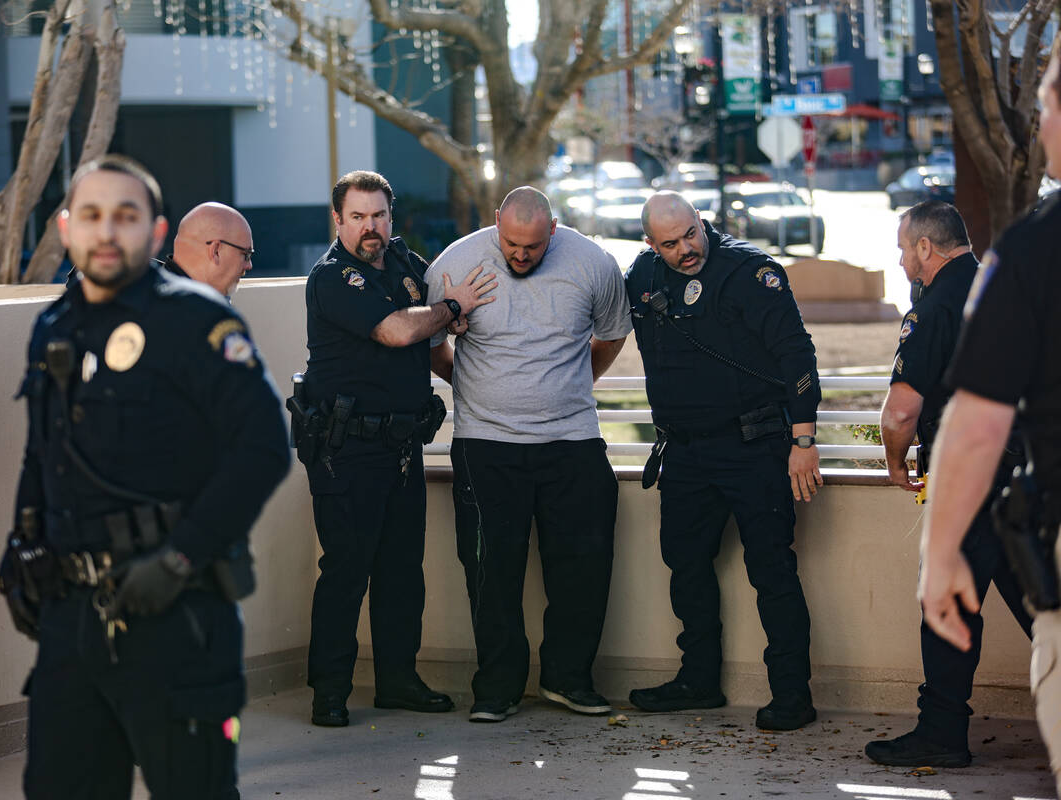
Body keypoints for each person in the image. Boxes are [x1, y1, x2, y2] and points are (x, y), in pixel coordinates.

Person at [0, 154, 291, 799]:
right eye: (92, 216)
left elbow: (265, 447)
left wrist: (182, 557)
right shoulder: (57, 321)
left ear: (154, 235)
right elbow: (44, 451)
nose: (108, 232)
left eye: (125, 217)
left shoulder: (195, 320)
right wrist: (21, 545)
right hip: (71, 622)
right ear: (68, 230)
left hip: (176, 618)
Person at [294, 170, 497, 728]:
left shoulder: (406, 266)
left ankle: (398, 681)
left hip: (401, 447)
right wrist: (453, 307)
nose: (370, 227)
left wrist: (476, 385)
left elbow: (430, 345)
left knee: (402, 571)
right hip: (347, 450)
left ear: (391, 215)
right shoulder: (332, 278)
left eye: (379, 215)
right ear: (338, 220)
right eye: (357, 217)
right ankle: (329, 692)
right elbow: (397, 332)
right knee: (346, 571)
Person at [425, 186, 631, 723]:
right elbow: (430, 344)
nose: (521, 254)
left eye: (533, 247)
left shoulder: (594, 264)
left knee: (583, 567)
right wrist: (470, 384)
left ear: (554, 231)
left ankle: (569, 680)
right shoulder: (455, 264)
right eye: (512, 243)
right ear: (496, 223)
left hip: (573, 440)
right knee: (491, 572)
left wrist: (569, 388)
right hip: (486, 444)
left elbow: (610, 336)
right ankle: (498, 688)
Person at [624, 191, 821, 731]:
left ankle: (791, 695)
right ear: (650, 243)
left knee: (772, 570)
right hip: (685, 451)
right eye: (671, 243)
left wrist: (802, 442)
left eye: (692, 233)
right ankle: (699, 681)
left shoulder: (750, 273)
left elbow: (797, 356)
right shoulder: (641, 277)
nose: (687, 248)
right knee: (685, 564)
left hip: (755, 447)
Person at [919, 42, 1061, 794]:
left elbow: (975, 424)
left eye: (1044, 108)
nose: (1040, 128)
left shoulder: (1033, 250)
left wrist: (939, 558)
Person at [865, 201, 1032, 767]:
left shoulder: (934, 308)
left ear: (925, 249)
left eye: (903, 249)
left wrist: (894, 464)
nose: (903, 261)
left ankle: (941, 731)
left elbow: (899, 412)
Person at [162, 202, 254, 298]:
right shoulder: (200, 308)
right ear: (216, 251)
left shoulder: (151, 294)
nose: (249, 266)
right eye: (246, 255)